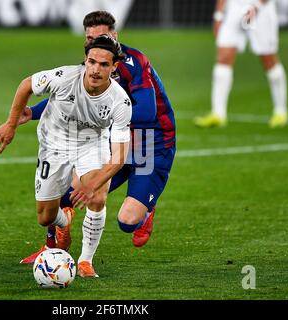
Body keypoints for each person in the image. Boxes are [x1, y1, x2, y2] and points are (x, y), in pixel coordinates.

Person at [20, 11, 176, 278]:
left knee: (128, 222)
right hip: (117, 138)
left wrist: (100, 119)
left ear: (114, 36)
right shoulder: (92, 64)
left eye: (99, 37)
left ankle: (146, 207)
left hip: (150, 142)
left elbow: (148, 112)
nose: (93, 43)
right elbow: (71, 98)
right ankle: (51, 248)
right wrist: (32, 113)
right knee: (67, 195)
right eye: (88, 38)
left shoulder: (134, 62)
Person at [0, 36, 132, 277]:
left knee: (97, 197)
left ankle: (86, 261)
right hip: (53, 143)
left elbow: (118, 157)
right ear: (85, 61)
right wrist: (11, 124)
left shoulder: (120, 102)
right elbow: (26, 85)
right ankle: (63, 222)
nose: (96, 69)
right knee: (45, 217)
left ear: (114, 66)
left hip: (91, 144)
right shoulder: (64, 77)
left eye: (104, 64)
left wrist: (92, 186)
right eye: (92, 62)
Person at [194, 0, 288, 128]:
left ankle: (280, 111)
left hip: (260, 10)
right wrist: (219, 15)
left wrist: (257, 6)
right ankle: (218, 114)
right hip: (234, 8)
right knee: (223, 57)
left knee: (269, 60)